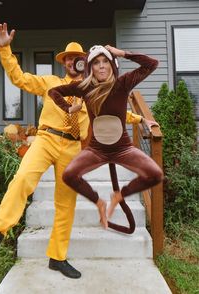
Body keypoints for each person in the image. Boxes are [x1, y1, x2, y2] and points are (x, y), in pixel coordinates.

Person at [0, 24, 148, 278]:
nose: (73, 62)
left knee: (66, 205)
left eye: (78, 59)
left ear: (86, 62)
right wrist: (5, 48)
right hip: (46, 139)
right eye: (68, 59)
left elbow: (117, 113)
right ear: (64, 63)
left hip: (72, 147)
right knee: (22, 180)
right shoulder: (51, 83)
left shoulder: (91, 91)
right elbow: (19, 77)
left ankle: (57, 258)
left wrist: (142, 120)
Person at [48, 45, 164, 228]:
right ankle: (99, 202)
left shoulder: (123, 83)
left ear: (112, 65)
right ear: (90, 67)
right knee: (69, 175)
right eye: (96, 62)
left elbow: (152, 64)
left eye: (105, 61)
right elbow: (53, 92)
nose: (101, 66)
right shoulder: (85, 88)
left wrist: (123, 53)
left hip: (123, 149)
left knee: (155, 174)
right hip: (97, 150)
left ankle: (119, 195)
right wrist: (68, 108)